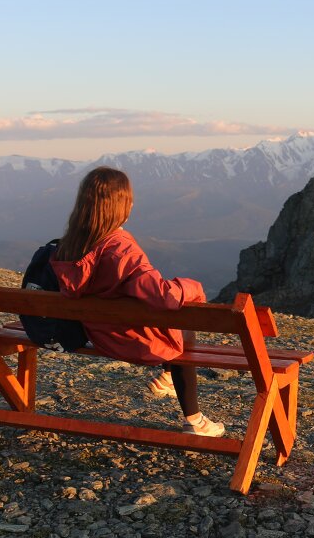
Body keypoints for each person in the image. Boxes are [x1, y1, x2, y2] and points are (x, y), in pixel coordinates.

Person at [50, 166, 224, 437]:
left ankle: (169, 376)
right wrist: (193, 288)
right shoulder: (120, 248)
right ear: (121, 205)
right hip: (128, 339)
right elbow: (164, 296)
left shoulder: (68, 244)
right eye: (129, 199)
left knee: (176, 325)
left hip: (96, 333)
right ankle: (194, 420)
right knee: (182, 322)